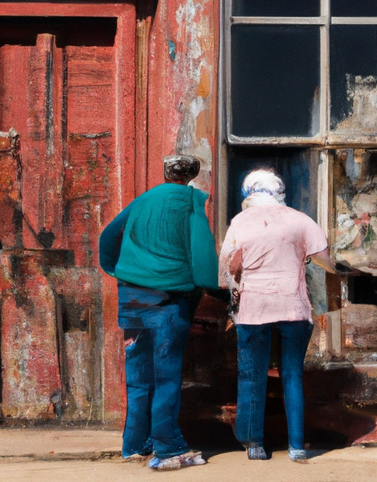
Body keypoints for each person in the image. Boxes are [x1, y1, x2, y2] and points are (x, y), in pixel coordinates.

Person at [100, 154, 218, 471]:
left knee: (138, 374)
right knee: (166, 376)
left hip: (132, 295)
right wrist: (209, 284)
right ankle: (167, 448)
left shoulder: (142, 199)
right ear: (191, 176)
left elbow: (109, 235)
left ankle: (134, 443)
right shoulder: (192, 200)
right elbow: (202, 248)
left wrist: (116, 269)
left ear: (166, 173)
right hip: (169, 298)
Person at [219, 168, 333, 462]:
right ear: (281, 192)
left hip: (253, 308)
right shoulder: (300, 219)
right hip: (293, 307)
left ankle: (254, 445)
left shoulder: (241, 222)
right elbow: (326, 261)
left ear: (248, 193)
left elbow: (228, 269)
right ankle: (296, 447)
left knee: (251, 376)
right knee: (292, 375)